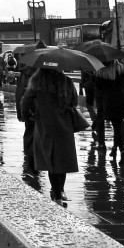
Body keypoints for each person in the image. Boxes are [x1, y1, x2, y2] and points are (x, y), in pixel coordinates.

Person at [20, 67, 80, 202]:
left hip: (44, 126)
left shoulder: (37, 83)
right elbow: (74, 102)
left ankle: (57, 193)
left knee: (51, 159)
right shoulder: (67, 81)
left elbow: (25, 103)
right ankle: (60, 190)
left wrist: (28, 115)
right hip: (64, 126)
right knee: (62, 158)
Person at [96, 58, 124, 160]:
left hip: (108, 102)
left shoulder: (101, 72)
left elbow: (98, 88)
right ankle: (118, 149)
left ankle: (118, 150)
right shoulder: (122, 69)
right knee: (118, 126)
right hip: (121, 100)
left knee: (116, 126)